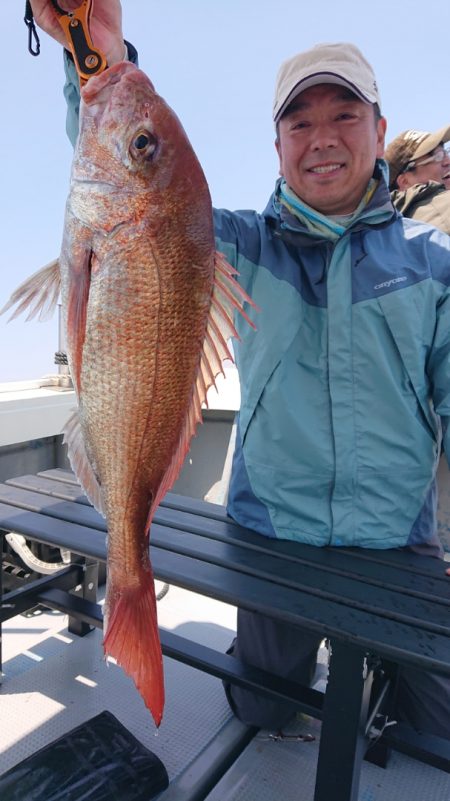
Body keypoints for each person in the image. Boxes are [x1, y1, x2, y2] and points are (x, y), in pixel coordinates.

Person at [29, 1, 450, 740]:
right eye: (300, 122)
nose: (322, 138)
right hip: (273, 528)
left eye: (344, 116)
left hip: (397, 536)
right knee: (262, 710)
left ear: (380, 129)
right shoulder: (232, 245)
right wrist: (93, 55)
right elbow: (140, 188)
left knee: (436, 728)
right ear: (277, 145)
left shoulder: (434, 261)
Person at [385, 127, 450, 234]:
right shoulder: (444, 207)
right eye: (437, 156)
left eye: (445, 153)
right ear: (404, 182)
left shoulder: (385, 232)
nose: (447, 161)